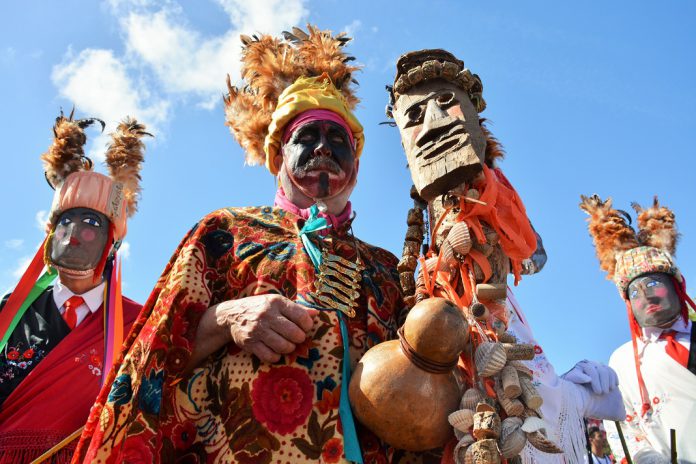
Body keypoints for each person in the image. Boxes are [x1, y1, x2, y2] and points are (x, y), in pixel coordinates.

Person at [73, 26, 412, 464]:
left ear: (357, 165)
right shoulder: (223, 233)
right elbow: (146, 359)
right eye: (306, 138)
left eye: (337, 140)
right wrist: (225, 318)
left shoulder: (386, 269)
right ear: (277, 157)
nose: (323, 148)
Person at [386, 49, 624, 463]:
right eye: (414, 117)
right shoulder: (426, 247)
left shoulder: (494, 197)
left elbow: (531, 252)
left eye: (447, 104)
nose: (434, 125)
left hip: (494, 333)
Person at [0, 111, 149, 462]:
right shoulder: (10, 310)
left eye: (89, 224)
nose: (72, 235)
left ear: (112, 243)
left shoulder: (139, 324)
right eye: (64, 222)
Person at [580, 195, 696, 464]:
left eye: (655, 285)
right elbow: (623, 428)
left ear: (677, 288)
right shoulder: (622, 361)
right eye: (636, 292)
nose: (647, 298)